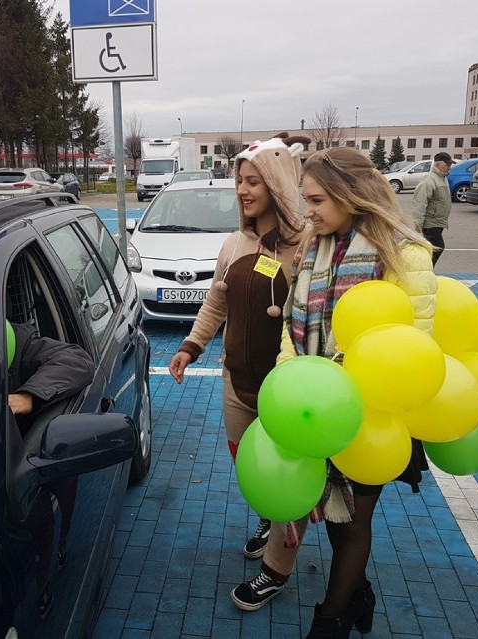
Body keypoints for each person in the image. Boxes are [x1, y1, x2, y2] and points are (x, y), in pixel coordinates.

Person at [280, 147, 436, 638]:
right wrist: (292, 384)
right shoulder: (315, 246)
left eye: (318, 200)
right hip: (319, 407)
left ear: (352, 195)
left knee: (353, 519)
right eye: (306, 200)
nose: (308, 211)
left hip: (373, 415)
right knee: (334, 513)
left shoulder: (403, 252)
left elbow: (416, 345)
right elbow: (291, 325)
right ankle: (357, 594)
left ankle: (330, 621)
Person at [167, 133, 313, 610]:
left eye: (253, 181)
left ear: (276, 183)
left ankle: (277, 568)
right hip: (236, 385)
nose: (243, 191)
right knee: (251, 469)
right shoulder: (234, 243)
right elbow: (216, 301)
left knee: (290, 479)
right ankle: (269, 519)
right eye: (240, 182)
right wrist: (191, 346)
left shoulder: (306, 246)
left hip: (289, 391)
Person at [7, 321, 96, 620]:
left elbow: (78, 360)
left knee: (39, 507)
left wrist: (28, 396)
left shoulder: (13, 341)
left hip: (18, 471)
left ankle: (52, 566)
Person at [411, 151, 454, 266]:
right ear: (437, 164)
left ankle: (426, 270)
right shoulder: (429, 180)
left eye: (450, 165)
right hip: (430, 223)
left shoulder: (442, 178)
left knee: (432, 249)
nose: (449, 167)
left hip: (438, 222)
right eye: (447, 165)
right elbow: (419, 203)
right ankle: (425, 270)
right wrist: (417, 224)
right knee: (438, 247)